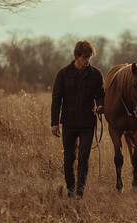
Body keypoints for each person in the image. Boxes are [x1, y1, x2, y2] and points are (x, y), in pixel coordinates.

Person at [51, 40, 104, 198]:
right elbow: (56, 99)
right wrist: (54, 123)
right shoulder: (63, 74)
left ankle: (79, 193)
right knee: (68, 159)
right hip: (68, 123)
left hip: (88, 123)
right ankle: (70, 190)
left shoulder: (96, 74)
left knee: (83, 159)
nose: (87, 60)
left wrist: (101, 106)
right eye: (84, 57)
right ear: (76, 56)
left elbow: (101, 95)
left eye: (89, 57)